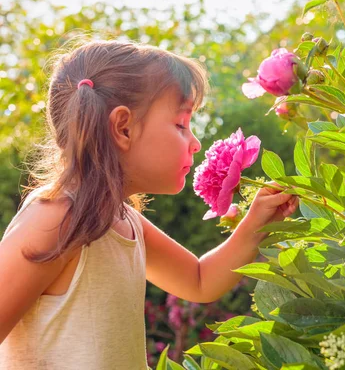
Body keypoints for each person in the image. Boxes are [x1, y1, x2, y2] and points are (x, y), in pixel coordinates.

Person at [0, 39, 299, 369]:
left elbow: (199, 280)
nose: (196, 143)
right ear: (123, 128)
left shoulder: (123, 220)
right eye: (181, 125)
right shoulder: (55, 218)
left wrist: (255, 224)